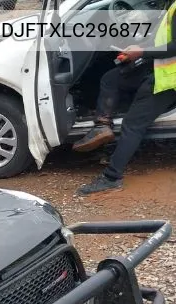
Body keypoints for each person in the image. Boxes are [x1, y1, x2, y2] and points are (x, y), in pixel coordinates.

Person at [74, 2, 176, 195]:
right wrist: (138, 50)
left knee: (132, 125)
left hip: (166, 80)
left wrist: (142, 52)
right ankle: (102, 126)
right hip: (158, 66)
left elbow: (175, 46)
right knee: (111, 78)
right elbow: (164, 39)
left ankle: (111, 177)